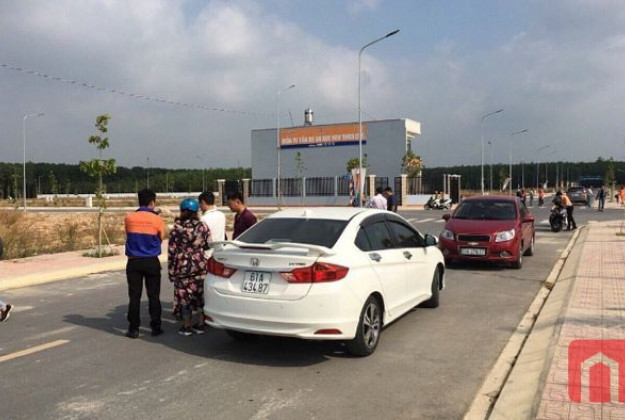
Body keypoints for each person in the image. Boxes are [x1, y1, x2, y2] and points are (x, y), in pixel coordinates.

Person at [124, 189, 166, 339]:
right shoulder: (157, 219)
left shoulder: (129, 218)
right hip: (151, 260)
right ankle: (156, 327)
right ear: (152, 202)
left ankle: (133, 329)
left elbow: (129, 235)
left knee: (134, 296)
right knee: (153, 296)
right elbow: (161, 237)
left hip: (133, 261)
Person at [168, 198, 210, 336]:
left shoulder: (176, 228)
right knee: (200, 296)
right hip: (200, 265)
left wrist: (171, 271)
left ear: (183, 211)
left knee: (184, 298)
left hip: (182, 267)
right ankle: (201, 324)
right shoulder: (203, 226)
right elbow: (208, 244)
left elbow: (172, 251)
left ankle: (186, 326)